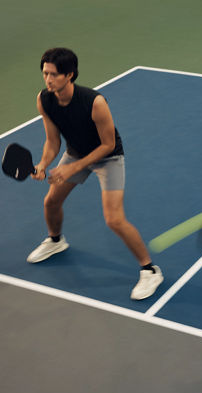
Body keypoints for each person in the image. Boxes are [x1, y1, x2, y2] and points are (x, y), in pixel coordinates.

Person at [28, 47, 163, 300]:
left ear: (69, 75)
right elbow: (52, 141)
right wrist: (44, 163)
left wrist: (72, 167)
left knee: (114, 219)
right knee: (51, 201)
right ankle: (56, 241)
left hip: (107, 158)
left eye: (54, 74)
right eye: (45, 73)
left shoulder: (95, 102)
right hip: (76, 153)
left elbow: (108, 145)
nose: (48, 79)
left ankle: (150, 270)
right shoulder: (44, 99)